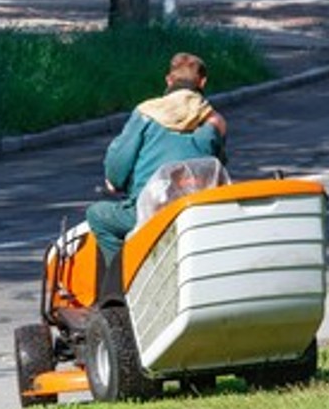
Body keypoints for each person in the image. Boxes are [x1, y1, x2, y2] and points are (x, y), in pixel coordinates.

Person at [86, 52, 228, 266]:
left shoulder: (146, 114)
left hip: (150, 210)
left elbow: (118, 164)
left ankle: (120, 283)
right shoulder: (214, 121)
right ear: (203, 82)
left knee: (97, 215)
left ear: (169, 80)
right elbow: (215, 168)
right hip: (197, 211)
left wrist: (114, 182)